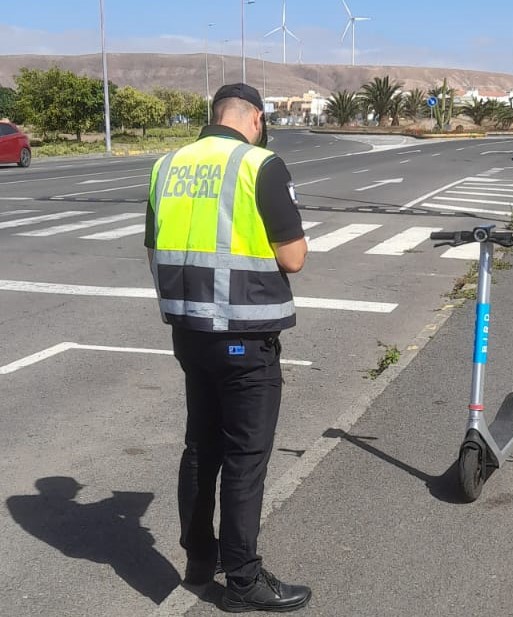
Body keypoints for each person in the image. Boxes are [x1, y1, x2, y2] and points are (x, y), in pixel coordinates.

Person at [144, 82, 310, 613]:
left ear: (214, 115)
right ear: (255, 119)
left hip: (189, 334)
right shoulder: (259, 165)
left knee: (201, 447)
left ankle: (199, 559)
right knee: (245, 459)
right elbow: (294, 258)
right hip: (244, 338)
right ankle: (242, 580)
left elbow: (154, 247)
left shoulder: (166, 165)